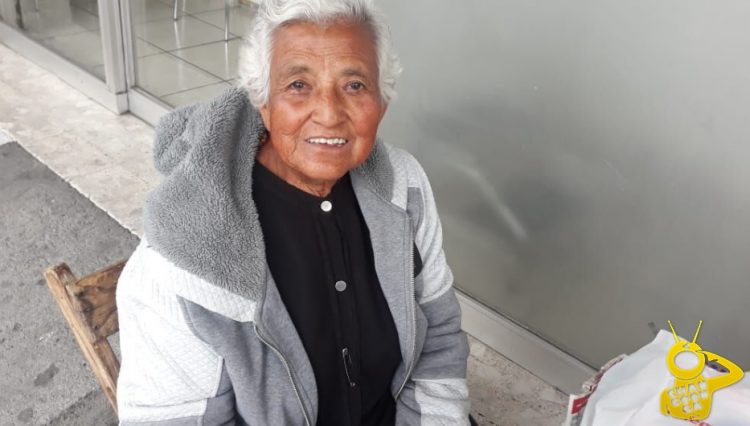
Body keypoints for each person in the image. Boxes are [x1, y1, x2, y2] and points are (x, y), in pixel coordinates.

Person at [115, 0, 471, 424]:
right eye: (299, 84)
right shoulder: (183, 254)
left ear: (383, 102)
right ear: (262, 101)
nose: (329, 113)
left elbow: (439, 335)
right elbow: (167, 417)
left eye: (354, 85)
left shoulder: (404, 186)